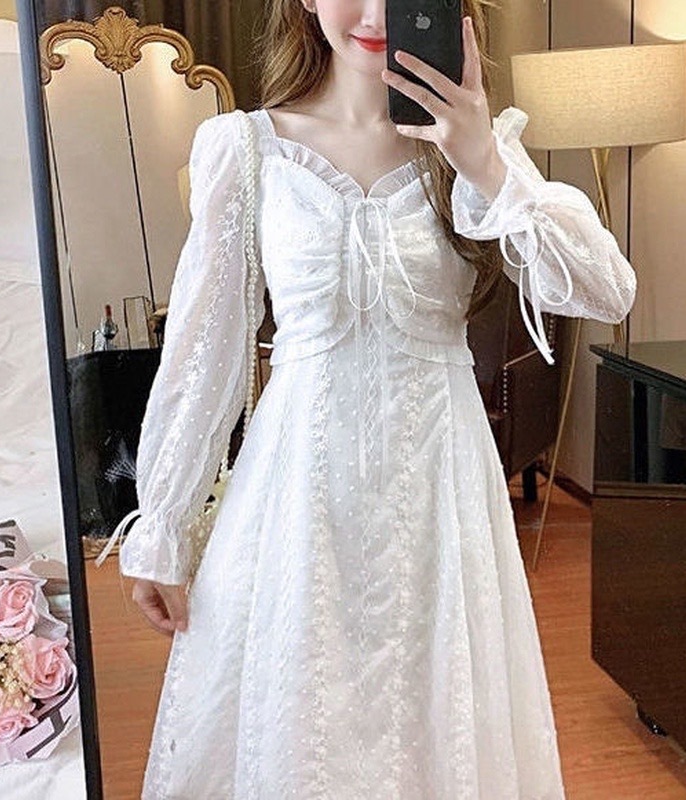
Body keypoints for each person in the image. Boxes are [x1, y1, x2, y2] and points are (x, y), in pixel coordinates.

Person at [107, 0, 636, 797]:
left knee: (433, 718)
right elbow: (203, 350)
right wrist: (164, 526)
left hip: (439, 496)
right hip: (296, 501)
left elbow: (607, 291)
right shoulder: (246, 149)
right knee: (299, 723)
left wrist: (484, 161)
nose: (376, 12)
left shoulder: (473, 145)